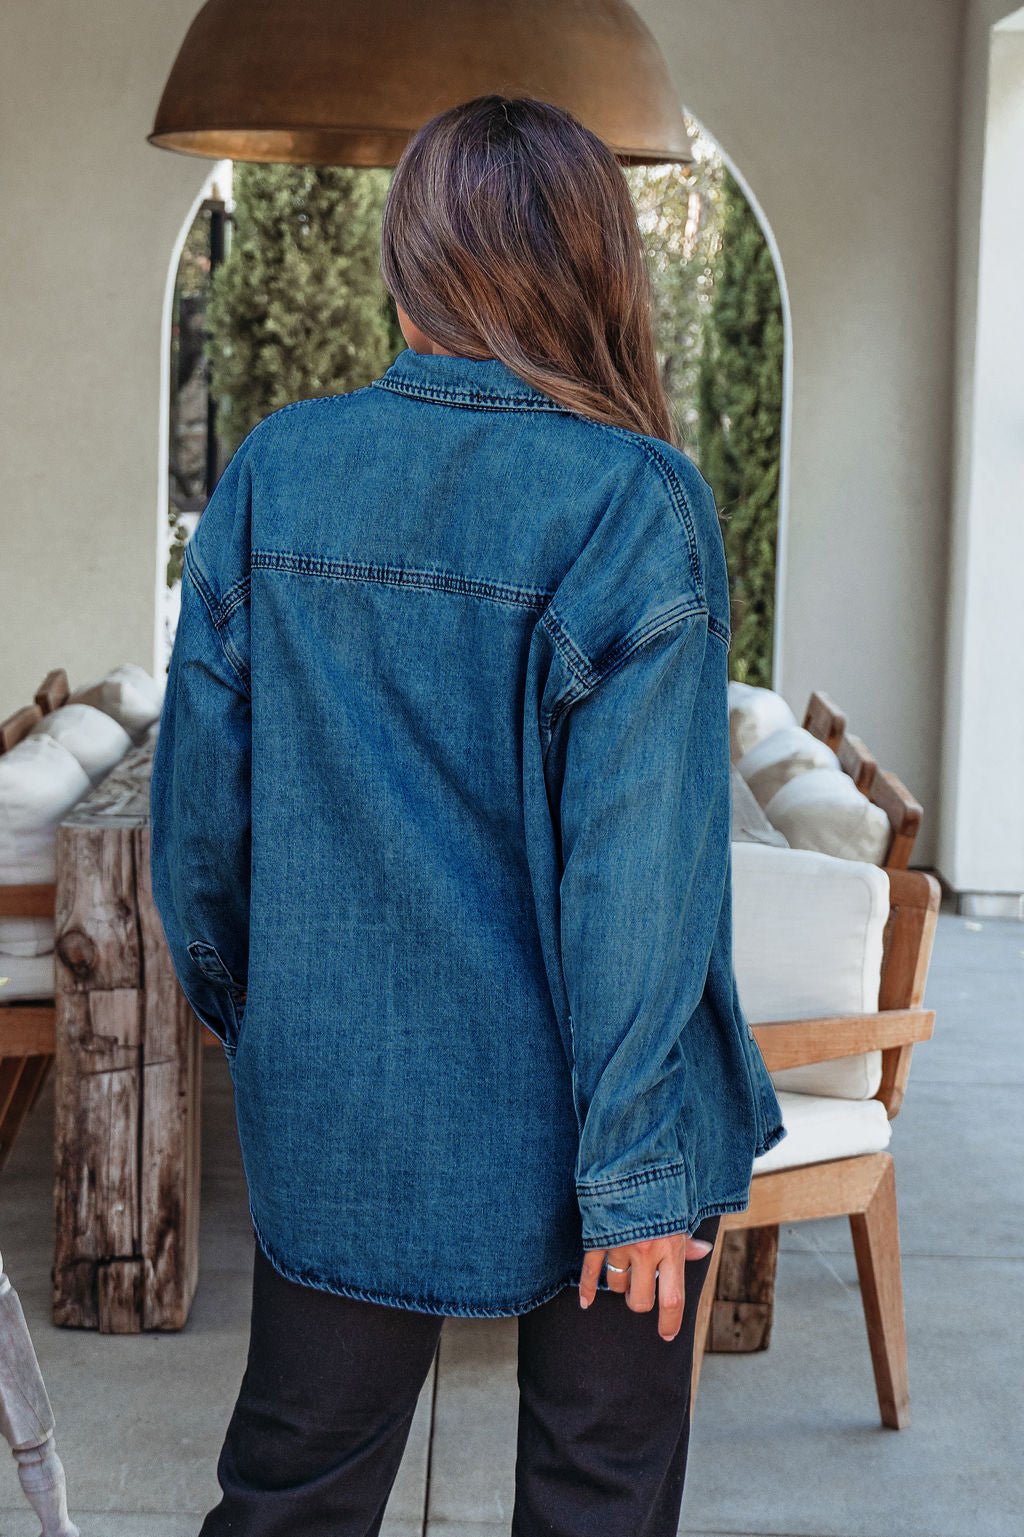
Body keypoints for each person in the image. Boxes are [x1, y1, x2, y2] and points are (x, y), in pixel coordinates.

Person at [149, 93, 786, 1537]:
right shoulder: (639, 502)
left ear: (410, 265)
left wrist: (276, 1017)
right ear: (597, 268)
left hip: (349, 1104)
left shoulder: (277, 471)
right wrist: (636, 1174)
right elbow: (637, 879)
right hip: (606, 1120)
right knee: (597, 1498)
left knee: (292, 1498)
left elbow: (197, 833)